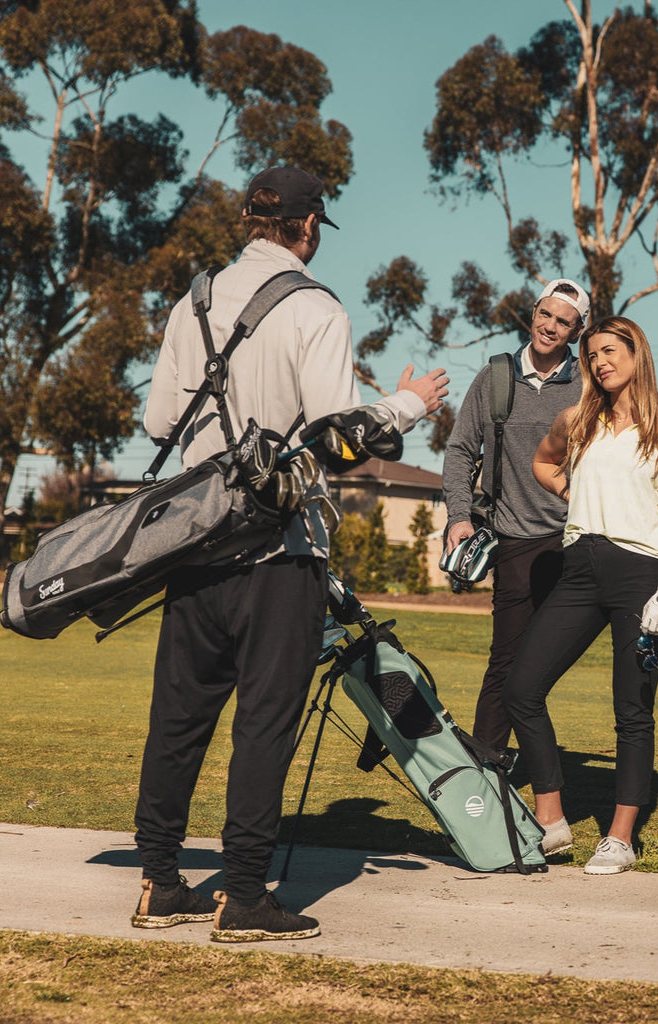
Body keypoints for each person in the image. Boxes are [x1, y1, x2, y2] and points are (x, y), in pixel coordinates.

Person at [132, 166, 449, 941]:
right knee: (264, 724)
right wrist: (408, 403)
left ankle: (159, 882)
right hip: (280, 551)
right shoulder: (316, 307)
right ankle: (243, 898)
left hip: (195, 543)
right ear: (309, 228)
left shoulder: (194, 299)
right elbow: (336, 438)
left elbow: (156, 422)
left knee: (178, 719)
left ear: (248, 220)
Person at [442, 279, 658, 752]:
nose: (550, 326)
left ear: (577, 333)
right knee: (507, 665)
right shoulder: (494, 379)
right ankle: (485, 770)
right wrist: (458, 515)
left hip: (585, 536)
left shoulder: (593, 379)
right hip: (518, 540)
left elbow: (650, 430)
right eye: (545, 314)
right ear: (532, 312)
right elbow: (460, 451)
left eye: (564, 322)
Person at [502, 315, 658, 874]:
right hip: (579, 568)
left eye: (610, 351)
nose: (599, 362)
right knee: (522, 688)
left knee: (631, 710)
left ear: (638, 354)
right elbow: (542, 461)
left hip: (641, 576)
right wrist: (574, 486)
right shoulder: (578, 420)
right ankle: (551, 820)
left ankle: (620, 836)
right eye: (592, 355)